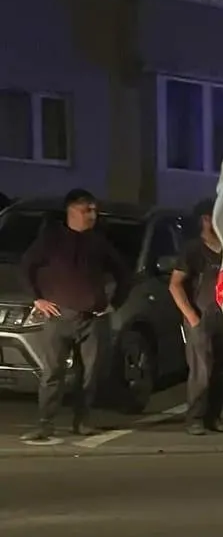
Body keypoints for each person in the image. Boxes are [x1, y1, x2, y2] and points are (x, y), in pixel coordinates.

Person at [20, 188, 132, 445]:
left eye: (94, 210)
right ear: (71, 211)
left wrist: (114, 304)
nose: (92, 215)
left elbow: (123, 273)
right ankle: (45, 423)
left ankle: (82, 421)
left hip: (93, 319)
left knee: (90, 374)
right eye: (86, 210)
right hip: (59, 317)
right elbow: (26, 267)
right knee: (53, 373)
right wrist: (37, 298)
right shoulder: (51, 240)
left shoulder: (98, 242)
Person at [170, 199, 223, 435]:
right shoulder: (193, 249)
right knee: (201, 371)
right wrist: (191, 316)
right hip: (200, 318)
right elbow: (175, 284)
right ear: (206, 219)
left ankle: (214, 417)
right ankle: (195, 419)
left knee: (222, 368)